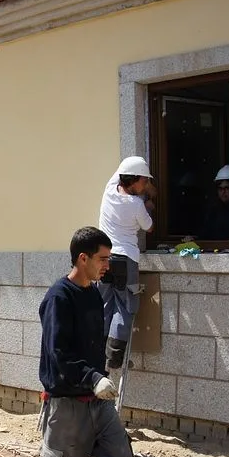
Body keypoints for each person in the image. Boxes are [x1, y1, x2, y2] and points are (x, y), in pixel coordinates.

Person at [38, 226, 137, 457]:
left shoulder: (94, 293)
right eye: (102, 259)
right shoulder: (59, 298)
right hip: (67, 401)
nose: (107, 266)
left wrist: (99, 378)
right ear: (83, 258)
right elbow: (58, 354)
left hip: (97, 399)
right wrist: (92, 377)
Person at [97, 156, 155, 377]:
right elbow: (149, 227)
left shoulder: (109, 191)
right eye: (144, 180)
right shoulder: (136, 204)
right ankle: (114, 358)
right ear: (134, 179)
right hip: (126, 260)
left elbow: (121, 171)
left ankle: (99, 352)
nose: (146, 185)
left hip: (105, 259)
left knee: (104, 305)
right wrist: (149, 205)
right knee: (125, 307)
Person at [199, 164, 229, 240]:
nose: (223, 192)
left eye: (227, 188)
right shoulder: (213, 211)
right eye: (220, 189)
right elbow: (204, 235)